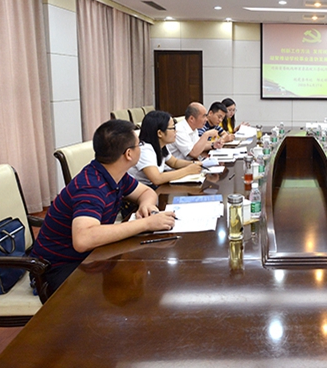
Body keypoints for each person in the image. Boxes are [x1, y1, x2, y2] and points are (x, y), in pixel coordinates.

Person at [31, 120, 177, 292]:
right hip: (56, 269)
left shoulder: (114, 174)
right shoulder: (91, 187)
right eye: (139, 144)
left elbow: (146, 192)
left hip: (92, 257)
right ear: (128, 154)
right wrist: (146, 224)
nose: (141, 148)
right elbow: (83, 239)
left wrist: (147, 206)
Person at [128, 110, 203, 187]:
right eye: (173, 128)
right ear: (160, 133)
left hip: (151, 187)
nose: (176, 131)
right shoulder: (145, 149)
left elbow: (174, 162)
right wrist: (187, 170)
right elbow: (157, 179)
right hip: (140, 189)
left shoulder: (160, 145)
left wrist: (194, 164)